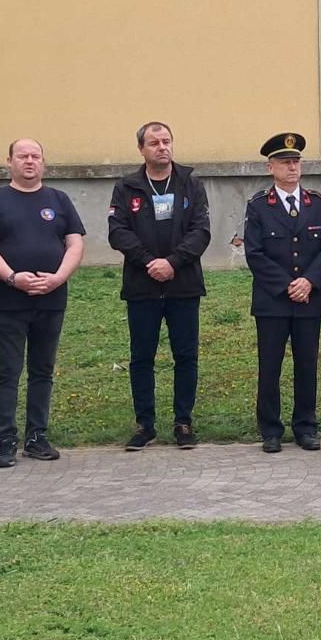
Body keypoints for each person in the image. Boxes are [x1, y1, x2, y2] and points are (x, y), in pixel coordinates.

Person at [0, 139, 85, 468]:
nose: (30, 161)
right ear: (9, 162)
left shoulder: (59, 200)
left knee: (42, 370)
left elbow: (75, 244)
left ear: (44, 163)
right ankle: (5, 440)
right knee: (7, 370)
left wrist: (58, 278)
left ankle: (37, 437)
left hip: (51, 299)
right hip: (8, 300)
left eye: (36, 156)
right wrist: (12, 277)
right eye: (22, 156)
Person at [108, 121, 211, 450]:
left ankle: (183, 422)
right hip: (142, 285)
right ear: (141, 149)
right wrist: (148, 262)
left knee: (186, 356)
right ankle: (145, 424)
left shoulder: (190, 183)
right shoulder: (126, 187)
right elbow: (118, 232)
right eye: (154, 143)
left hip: (183, 285)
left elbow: (201, 231)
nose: (162, 147)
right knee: (142, 357)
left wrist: (173, 263)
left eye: (166, 141)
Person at [243, 132, 321, 453]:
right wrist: (288, 285)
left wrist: (309, 281)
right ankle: (270, 429)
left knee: (307, 365)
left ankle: (306, 426)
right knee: (270, 366)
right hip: (273, 301)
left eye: (296, 161)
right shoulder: (258, 206)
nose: (292, 167)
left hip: (309, 299)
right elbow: (255, 254)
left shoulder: (318, 204)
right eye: (285, 162)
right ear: (270, 167)